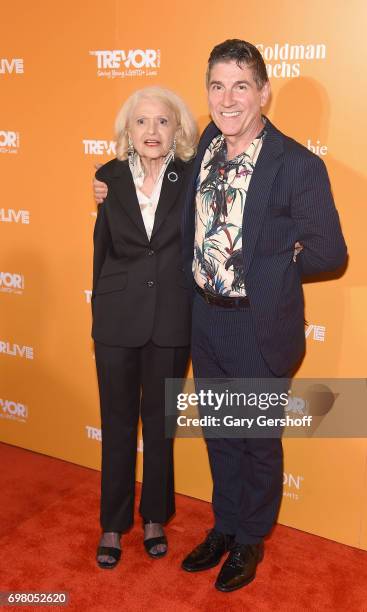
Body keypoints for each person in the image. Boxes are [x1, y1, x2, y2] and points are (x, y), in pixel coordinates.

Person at [179, 40, 347, 592]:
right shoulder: (207, 141)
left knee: (255, 438)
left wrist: (276, 265)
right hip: (206, 321)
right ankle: (225, 526)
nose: (227, 100)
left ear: (263, 92)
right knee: (221, 434)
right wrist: (109, 179)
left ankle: (251, 540)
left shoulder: (298, 165)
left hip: (258, 325)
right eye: (217, 86)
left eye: (241, 86)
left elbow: (329, 251)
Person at [91, 86, 197, 569]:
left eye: (162, 121)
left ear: (178, 131)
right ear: (127, 131)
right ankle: (113, 523)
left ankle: (155, 515)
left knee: (160, 425)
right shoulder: (107, 178)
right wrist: (100, 312)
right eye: (142, 122)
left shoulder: (193, 177)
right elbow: (102, 251)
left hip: (172, 318)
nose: (152, 131)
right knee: (115, 423)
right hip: (116, 320)